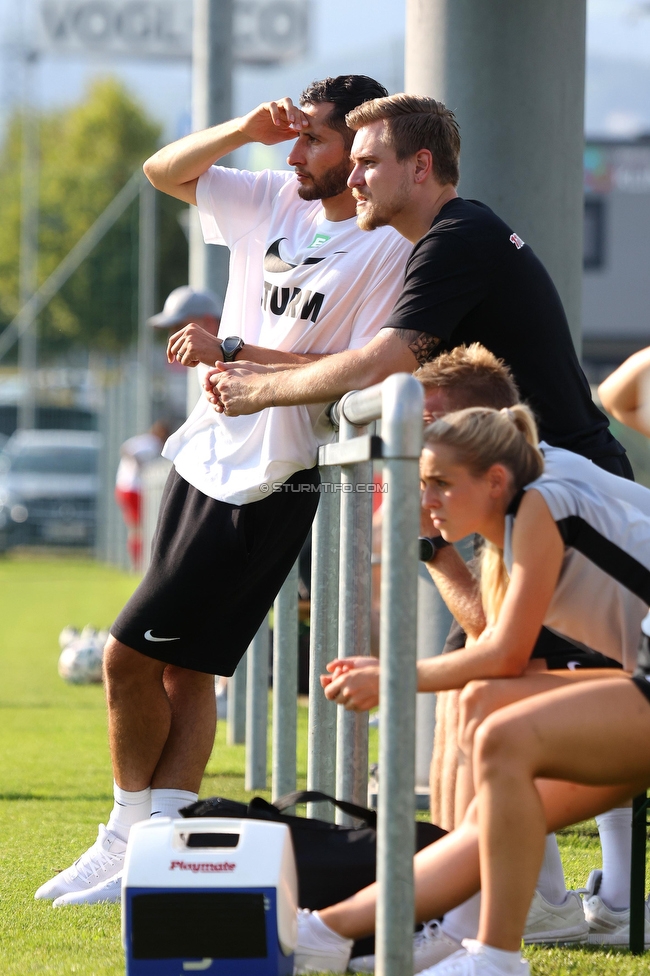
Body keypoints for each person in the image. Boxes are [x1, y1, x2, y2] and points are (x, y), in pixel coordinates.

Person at [34, 75, 412, 906]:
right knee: (186, 671)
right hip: (202, 458)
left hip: (273, 477)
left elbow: (351, 371)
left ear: (359, 150)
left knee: (124, 657)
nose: (294, 150)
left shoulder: (387, 245)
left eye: (312, 137)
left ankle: (125, 835)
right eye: (295, 134)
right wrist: (243, 127)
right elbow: (161, 170)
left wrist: (231, 345)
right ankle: (149, 846)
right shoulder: (274, 195)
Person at [293, 404, 650, 976]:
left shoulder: (540, 503)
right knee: (484, 706)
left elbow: (505, 653)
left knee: (504, 735)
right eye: (420, 484)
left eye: (440, 484)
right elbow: (502, 662)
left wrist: (389, 677)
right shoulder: (510, 525)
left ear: (495, 481)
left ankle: (495, 958)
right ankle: (328, 932)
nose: (424, 499)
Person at [206, 93, 631, 481]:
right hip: (543, 478)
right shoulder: (458, 231)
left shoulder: (457, 240)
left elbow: (379, 366)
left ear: (421, 166)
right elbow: (377, 366)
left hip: (574, 483)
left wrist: (262, 389)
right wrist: (258, 366)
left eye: (368, 163)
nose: (352, 180)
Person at [115, 421, 169, 570]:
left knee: (136, 528)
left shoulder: (145, 440)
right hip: (133, 488)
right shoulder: (151, 442)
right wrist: (139, 465)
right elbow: (126, 450)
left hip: (125, 486)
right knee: (140, 528)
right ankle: (138, 563)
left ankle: (137, 562)